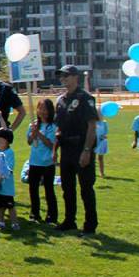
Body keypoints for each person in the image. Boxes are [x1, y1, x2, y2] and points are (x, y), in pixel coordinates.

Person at [54, 65, 98, 234]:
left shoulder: (85, 98)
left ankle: (90, 224)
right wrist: (55, 150)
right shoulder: (61, 100)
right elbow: (59, 127)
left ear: (75, 77)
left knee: (86, 188)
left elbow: (91, 126)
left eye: (66, 75)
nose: (63, 79)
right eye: (61, 76)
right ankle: (69, 220)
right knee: (67, 188)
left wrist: (87, 150)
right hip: (66, 149)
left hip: (81, 147)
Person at [26, 99, 58, 224]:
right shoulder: (33, 124)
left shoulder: (53, 126)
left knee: (49, 190)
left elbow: (51, 145)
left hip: (48, 163)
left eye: (45, 109)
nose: (42, 112)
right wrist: (32, 135)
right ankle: (35, 214)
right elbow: (29, 142)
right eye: (40, 108)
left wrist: (38, 134)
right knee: (33, 189)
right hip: (34, 162)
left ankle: (52, 216)